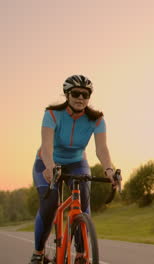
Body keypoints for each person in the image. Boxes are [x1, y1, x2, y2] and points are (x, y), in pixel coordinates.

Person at [29, 75, 117, 264]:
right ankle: (38, 253)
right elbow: (46, 146)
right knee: (50, 204)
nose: (80, 98)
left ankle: (80, 254)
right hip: (47, 161)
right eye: (76, 93)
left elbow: (102, 149)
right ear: (67, 95)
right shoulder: (52, 114)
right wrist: (51, 167)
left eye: (85, 95)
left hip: (77, 162)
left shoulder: (97, 119)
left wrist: (109, 170)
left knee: (83, 201)